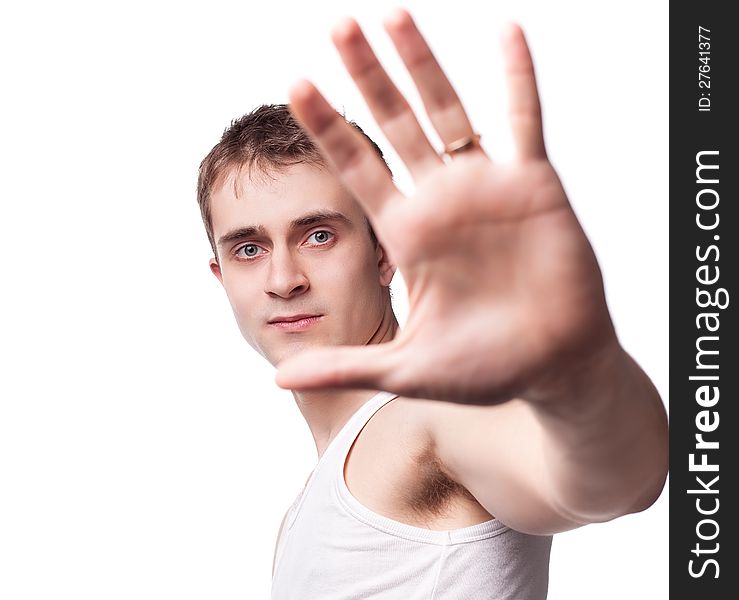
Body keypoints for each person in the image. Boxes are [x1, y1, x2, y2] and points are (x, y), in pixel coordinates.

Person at [196, 8, 668, 599]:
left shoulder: (427, 417)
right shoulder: (305, 509)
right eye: (248, 248)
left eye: (319, 235)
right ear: (220, 276)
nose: (283, 278)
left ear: (386, 251)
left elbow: (616, 482)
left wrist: (583, 373)